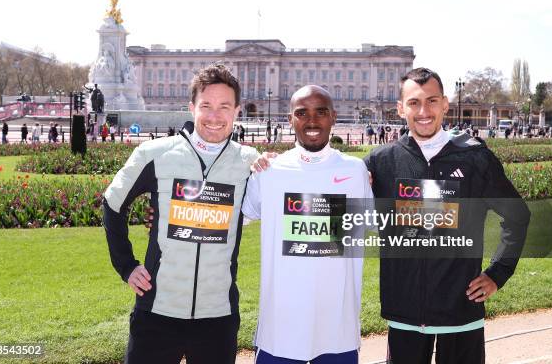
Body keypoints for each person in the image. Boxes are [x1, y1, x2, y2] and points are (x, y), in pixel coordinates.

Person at [364, 68, 529, 364]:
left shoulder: (475, 157)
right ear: (401, 108)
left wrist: (497, 274)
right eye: (414, 103)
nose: (424, 111)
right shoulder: (380, 162)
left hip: (460, 311)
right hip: (405, 315)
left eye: (432, 101)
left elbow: (517, 216)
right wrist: (275, 167)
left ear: (445, 104)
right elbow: (329, 202)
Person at [102, 63, 259, 364]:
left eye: (224, 106)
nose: (215, 116)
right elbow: (112, 204)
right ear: (191, 107)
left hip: (218, 315)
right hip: (157, 312)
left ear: (237, 110)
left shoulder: (250, 162)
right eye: (206, 106)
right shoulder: (154, 153)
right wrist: (126, 266)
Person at [244, 85, 372, 363]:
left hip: (337, 331)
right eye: (302, 113)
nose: (312, 121)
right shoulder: (269, 171)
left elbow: (376, 226)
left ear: (334, 117)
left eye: (321, 112)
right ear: (290, 119)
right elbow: (232, 219)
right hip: (279, 332)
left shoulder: (354, 170)